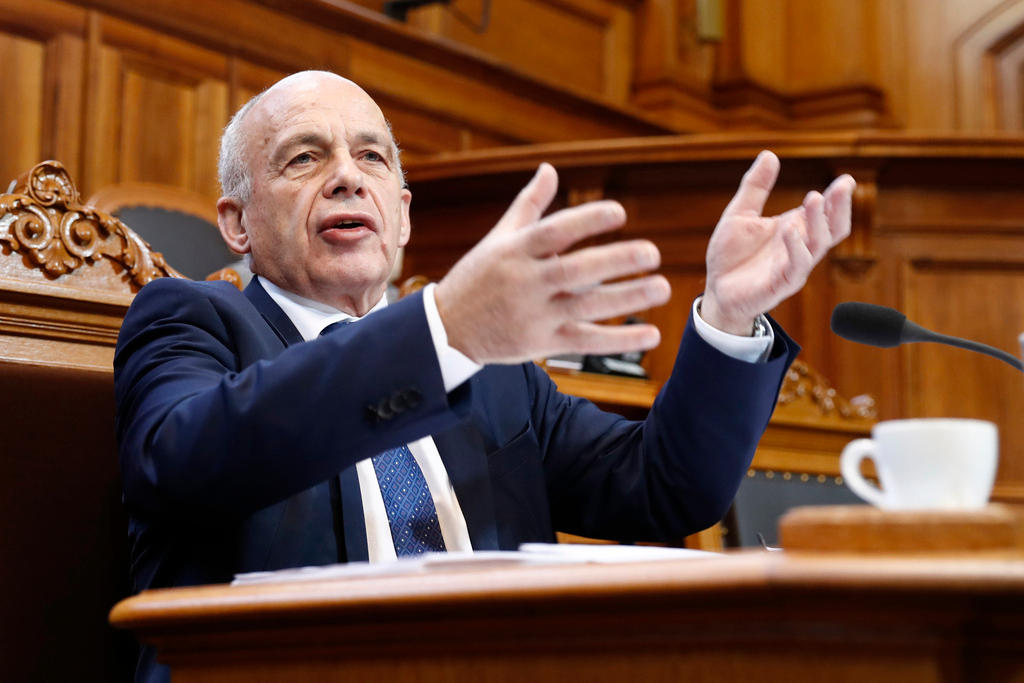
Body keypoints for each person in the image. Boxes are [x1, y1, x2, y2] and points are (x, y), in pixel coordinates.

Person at [114, 70, 854, 681]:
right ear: (236, 223)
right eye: (303, 158)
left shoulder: (495, 374)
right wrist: (441, 332)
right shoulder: (190, 319)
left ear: (401, 217)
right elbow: (185, 459)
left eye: (372, 158)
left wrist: (726, 314)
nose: (347, 176)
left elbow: (665, 488)